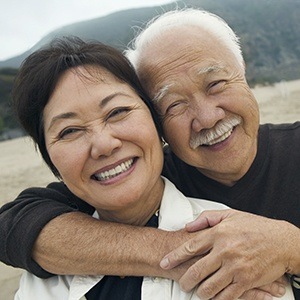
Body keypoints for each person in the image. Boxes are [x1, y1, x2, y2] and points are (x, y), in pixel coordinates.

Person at [1, 8, 299, 300]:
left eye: (216, 84)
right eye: (174, 104)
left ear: (243, 70)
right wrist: (186, 253)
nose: (207, 118)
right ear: (158, 123)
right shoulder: (134, 177)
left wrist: (289, 246)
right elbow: (15, 224)